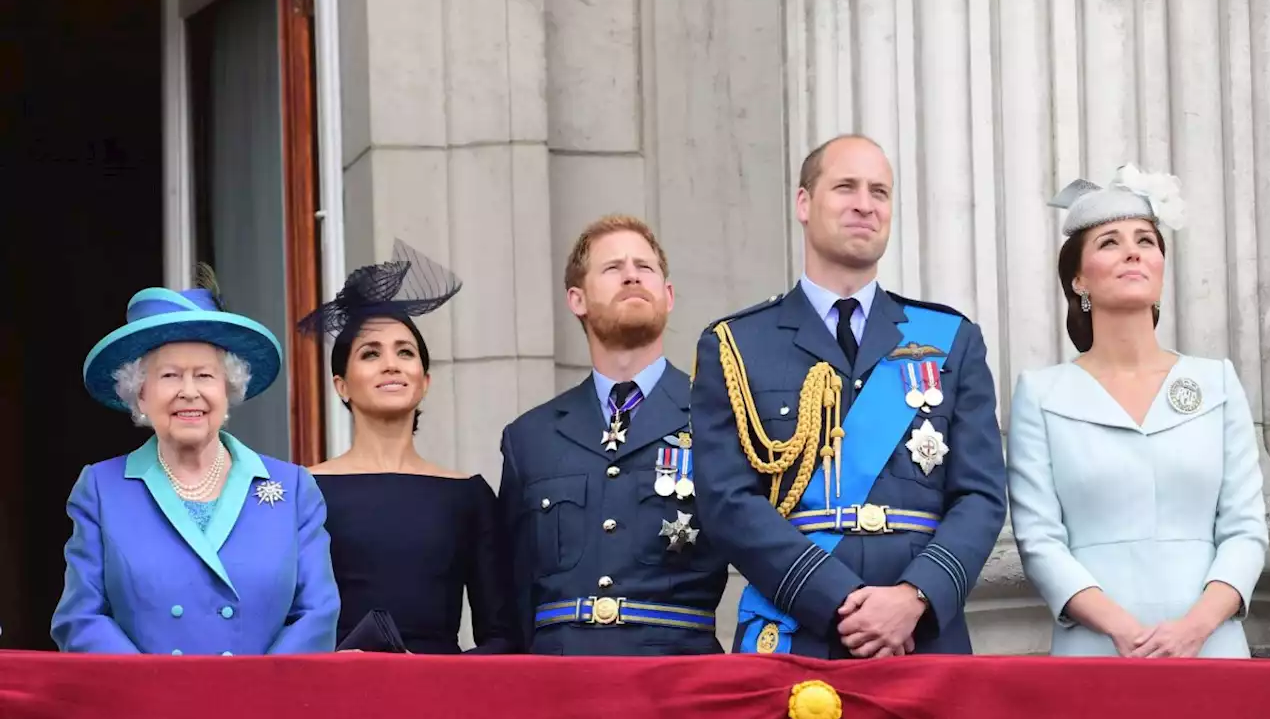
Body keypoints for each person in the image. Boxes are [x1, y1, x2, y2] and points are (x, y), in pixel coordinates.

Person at [690, 135, 1006, 659]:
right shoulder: (737, 344)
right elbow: (727, 502)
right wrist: (842, 598)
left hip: (920, 635)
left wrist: (914, 597)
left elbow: (981, 495)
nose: (866, 203)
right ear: (804, 203)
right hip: (799, 627)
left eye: (880, 191)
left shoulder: (952, 338)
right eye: (846, 187)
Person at [1006, 163, 1268, 658]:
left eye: (1146, 240)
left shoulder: (1216, 382)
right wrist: (1123, 631)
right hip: (1097, 648)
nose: (1133, 251)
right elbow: (1040, 540)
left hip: (1211, 647)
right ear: (1079, 280)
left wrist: (1194, 627)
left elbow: (1244, 529)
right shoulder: (1042, 394)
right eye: (1109, 242)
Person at [52, 272, 339, 655]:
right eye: (170, 376)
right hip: (146, 707)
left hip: (260, 706)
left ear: (228, 388)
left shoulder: (295, 487)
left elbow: (317, 614)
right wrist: (156, 689)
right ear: (140, 395)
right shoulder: (102, 488)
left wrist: (257, 690)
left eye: (204, 375)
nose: (189, 392)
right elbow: (80, 618)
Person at [498, 215, 728, 655]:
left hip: (677, 680)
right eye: (613, 268)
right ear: (577, 299)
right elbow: (513, 595)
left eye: (645, 267)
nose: (631, 275)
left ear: (669, 295)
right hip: (560, 684)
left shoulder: (719, 419)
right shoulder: (530, 438)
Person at [301, 240, 518, 654]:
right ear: (341, 386)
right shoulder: (304, 490)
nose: (391, 364)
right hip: (334, 697)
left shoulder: (469, 494)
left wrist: (440, 678)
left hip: (440, 701)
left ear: (424, 380)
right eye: (370, 353)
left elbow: (502, 635)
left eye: (405, 352)